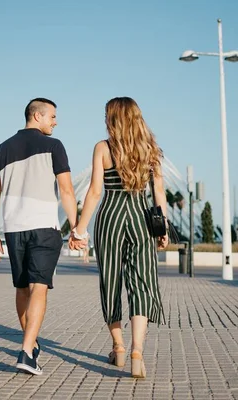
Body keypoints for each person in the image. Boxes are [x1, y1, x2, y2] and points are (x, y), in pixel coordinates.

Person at [70, 97, 168, 378]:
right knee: (141, 284)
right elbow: (158, 194)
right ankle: (138, 349)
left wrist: (79, 230)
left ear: (112, 118)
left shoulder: (102, 148)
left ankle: (119, 347)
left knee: (110, 281)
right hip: (140, 218)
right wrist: (162, 230)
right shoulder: (150, 149)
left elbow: (95, 192)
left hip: (111, 216)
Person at [0, 98, 78, 376]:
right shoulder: (54, 146)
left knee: (22, 288)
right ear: (37, 116)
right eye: (52, 116)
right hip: (44, 227)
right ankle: (26, 352)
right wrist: (76, 227)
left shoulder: (1, 149)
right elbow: (66, 191)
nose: (55, 121)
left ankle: (31, 342)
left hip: (13, 228)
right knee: (38, 287)